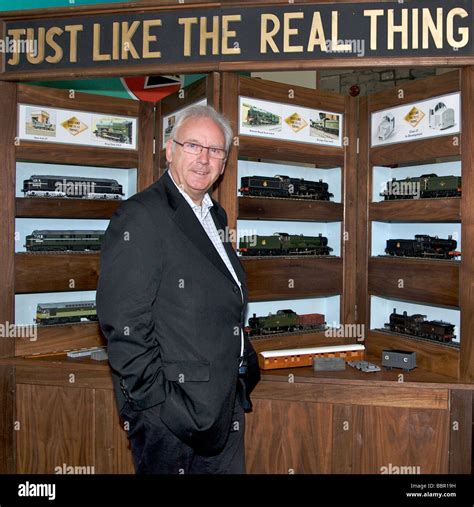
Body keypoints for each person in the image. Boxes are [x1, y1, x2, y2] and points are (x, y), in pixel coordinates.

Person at [96, 105, 260, 474]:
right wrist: (159, 406)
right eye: (193, 146)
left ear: (224, 163)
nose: (204, 159)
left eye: (215, 151)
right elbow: (122, 325)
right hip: (173, 418)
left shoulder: (214, 216)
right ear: (169, 150)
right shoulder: (141, 216)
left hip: (223, 403)